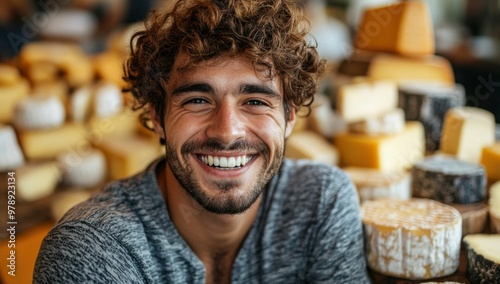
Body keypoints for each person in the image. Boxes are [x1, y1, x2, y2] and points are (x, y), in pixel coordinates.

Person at [33, 0, 370, 283]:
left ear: (289, 118)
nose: (227, 132)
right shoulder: (92, 249)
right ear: (156, 116)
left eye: (255, 101)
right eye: (197, 100)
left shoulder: (321, 203)